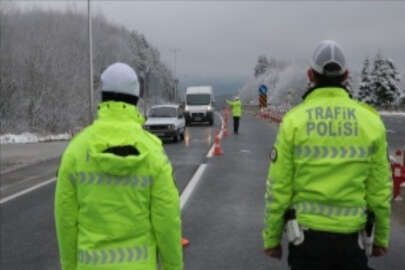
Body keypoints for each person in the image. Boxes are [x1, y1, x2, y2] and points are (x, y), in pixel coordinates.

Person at [263, 40, 392, 270]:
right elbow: (380, 190)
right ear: (346, 76)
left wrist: (272, 239)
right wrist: (381, 237)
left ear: (310, 74)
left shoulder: (294, 121)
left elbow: (278, 188)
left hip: (306, 243)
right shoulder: (370, 122)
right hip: (352, 243)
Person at [54, 62, 183, 270]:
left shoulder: (76, 151)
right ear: (136, 100)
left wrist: (69, 266)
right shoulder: (152, 153)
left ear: (102, 98)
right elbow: (167, 221)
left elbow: (65, 220)